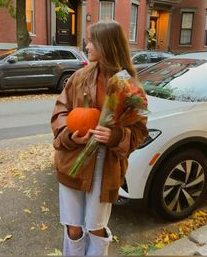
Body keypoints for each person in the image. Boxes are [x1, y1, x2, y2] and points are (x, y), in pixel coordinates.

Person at [51, 21, 148, 256]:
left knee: (95, 228)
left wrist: (115, 136)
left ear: (107, 45)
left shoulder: (129, 87)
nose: (87, 45)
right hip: (73, 160)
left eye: (91, 41)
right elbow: (60, 112)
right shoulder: (79, 77)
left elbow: (140, 131)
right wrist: (70, 135)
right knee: (73, 228)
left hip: (105, 165)